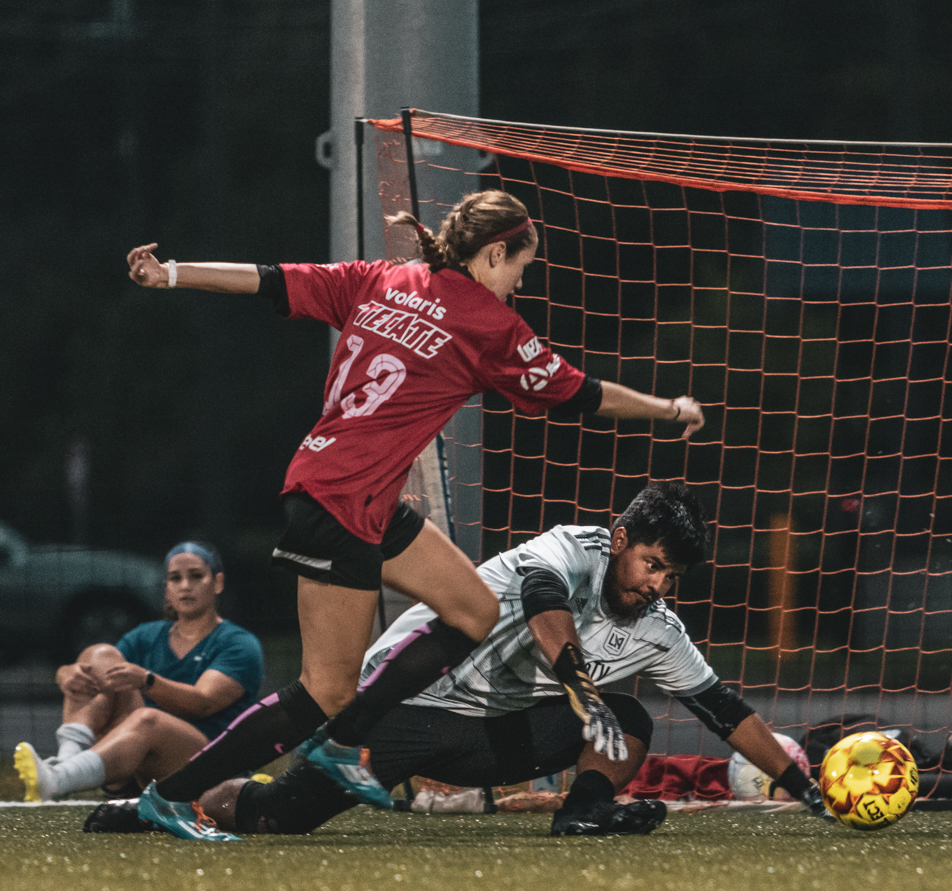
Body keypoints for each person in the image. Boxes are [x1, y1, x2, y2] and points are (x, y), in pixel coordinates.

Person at [123, 191, 705, 840]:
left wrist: (169, 274)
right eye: (521, 267)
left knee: (476, 610)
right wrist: (669, 410)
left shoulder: (382, 277)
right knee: (322, 692)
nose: (520, 282)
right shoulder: (489, 324)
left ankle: (345, 741)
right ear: (495, 254)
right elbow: (583, 395)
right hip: (342, 501)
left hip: (358, 494)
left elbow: (267, 279)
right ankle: (173, 796)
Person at [87, 483, 828, 837]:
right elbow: (543, 601)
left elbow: (724, 710)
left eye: (672, 576)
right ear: (621, 537)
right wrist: (577, 682)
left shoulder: (659, 627)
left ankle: (583, 814)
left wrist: (803, 787)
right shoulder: (571, 549)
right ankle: (177, 801)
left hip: (491, 736)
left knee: (630, 718)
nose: (658, 584)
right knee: (279, 816)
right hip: (406, 705)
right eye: (652, 564)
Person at [14, 542, 264, 803]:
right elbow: (99, 670)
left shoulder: (239, 643)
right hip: (140, 769)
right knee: (99, 655)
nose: (185, 586)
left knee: (148, 719)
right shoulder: (147, 635)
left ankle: (58, 779)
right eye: (175, 578)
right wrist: (65, 674)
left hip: (208, 773)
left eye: (196, 576)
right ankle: (65, 760)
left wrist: (147, 681)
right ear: (166, 588)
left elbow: (202, 702)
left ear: (218, 583)